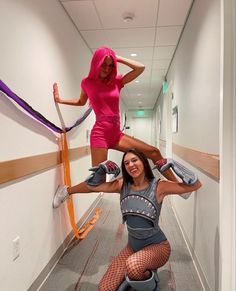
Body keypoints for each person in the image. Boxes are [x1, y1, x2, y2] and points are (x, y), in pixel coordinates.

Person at [53, 149, 202, 291]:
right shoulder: (122, 184)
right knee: (105, 288)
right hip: (132, 247)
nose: (131, 165)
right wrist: (101, 170)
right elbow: (93, 186)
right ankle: (137, 271)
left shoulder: (159, 186)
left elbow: (195, 185)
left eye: (134, 160)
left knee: (133, 266)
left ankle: (150, 278)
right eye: (126, 163)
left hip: (158, 247)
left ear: (143, 162)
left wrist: (174, 165)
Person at [53, 46, 177, 183]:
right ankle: (67, 191)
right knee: (97, 181)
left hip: (116, 134)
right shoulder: (87, 83)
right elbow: (81, 102)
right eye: (104, 64)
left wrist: (117, 58)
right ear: (96, 63)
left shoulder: (117, 81)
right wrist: (60, 100)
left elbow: (140, 68)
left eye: (111, 65)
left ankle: (178, 186)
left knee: (154, 152)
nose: (107, 69)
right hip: (100, 133)